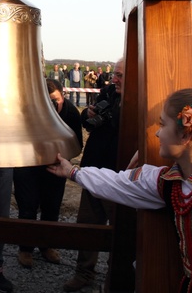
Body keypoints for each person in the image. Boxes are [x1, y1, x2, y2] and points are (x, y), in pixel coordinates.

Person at [48, 88, 192, 293]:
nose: (157, 134)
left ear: (185, 135)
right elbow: (119, 183)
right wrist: (72, 172)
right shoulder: (170, 181)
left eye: (163, 125)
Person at [59, 58, 124, 292]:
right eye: (115, 74)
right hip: (93, 169)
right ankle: (84, 272)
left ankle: (115, 277)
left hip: (120, 176)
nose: (114, 79)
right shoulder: (108, 91)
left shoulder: (141, 100)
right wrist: (89, 112)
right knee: (88, 226)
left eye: (120, 76)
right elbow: (89, 122)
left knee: (119, 232)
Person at [14, 79, 83, 268]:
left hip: (55, 168)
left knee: (52, 207)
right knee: (27, 208)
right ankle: (25, 248)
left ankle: (46, 246)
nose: (52, 106)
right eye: (47, 101)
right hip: (28, 167)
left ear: (63, 96)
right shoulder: (28, 110)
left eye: (55, 100)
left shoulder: (71, 113)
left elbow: (77, 144)